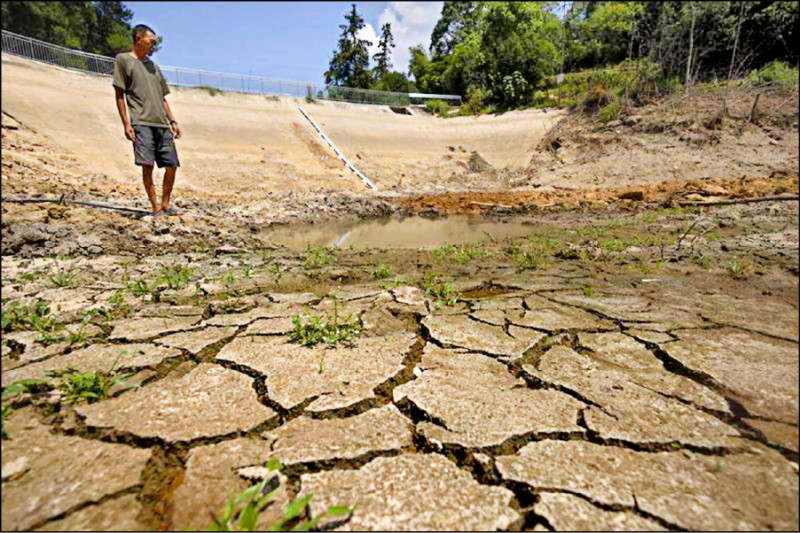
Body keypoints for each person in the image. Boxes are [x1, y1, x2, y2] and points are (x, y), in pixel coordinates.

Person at [113, 24, 182, 216]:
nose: (153, 45)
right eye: (151, 41)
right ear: (138, 39)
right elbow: (119, 94)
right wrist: (126, 123)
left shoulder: (153, 66)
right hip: (141, 122)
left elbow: (162, 97)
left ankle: (166, 204)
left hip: (161, 123)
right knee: (147, 166)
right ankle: (155, 207)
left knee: (172, 165)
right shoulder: (123, 60)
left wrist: (173, 121)